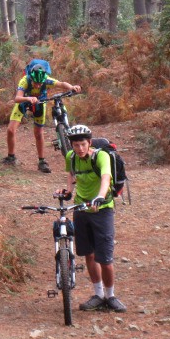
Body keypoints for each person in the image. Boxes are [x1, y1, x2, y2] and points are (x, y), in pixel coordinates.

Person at [60, 123, 125, 312]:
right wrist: (68, 191)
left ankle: (110, 296)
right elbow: (71, 175)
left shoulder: (101, 156)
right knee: (88, 254)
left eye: (83, 144)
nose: (79, 149)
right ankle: (98, 294)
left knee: (104, 257)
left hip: (102, 209)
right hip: (81, 208)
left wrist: (100, 196)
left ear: (89, 142)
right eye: (76, 145)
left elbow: (105, 177)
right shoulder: (71, 157)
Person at [3, 61, 81, 173]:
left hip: (40, 103)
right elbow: (17, 98)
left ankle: (42, 161)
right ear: (31, 78)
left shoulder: (46, 79)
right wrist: (28, 98)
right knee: (11, 130)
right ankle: (11, 157)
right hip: (23, 102)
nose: (38, 85)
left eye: (40, 83)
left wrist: (72, 87)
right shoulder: (25, 80)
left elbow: (61, 84)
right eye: (36, 83)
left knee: (39, 133)